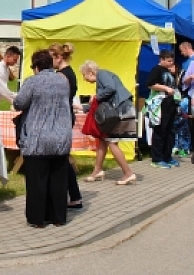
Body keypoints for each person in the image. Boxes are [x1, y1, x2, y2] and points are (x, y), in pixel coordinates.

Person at [14, 50, 73, 227]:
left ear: (37, 66)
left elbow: (19, 103)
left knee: (37, 182)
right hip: (61, 136)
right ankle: (58, 217)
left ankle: (38, 219)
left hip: (38, 137)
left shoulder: (32, 81)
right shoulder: (63, 80)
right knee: (58, 181)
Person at [79, 60, 137, 186]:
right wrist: (84, 108)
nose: (85, 79)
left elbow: (110, 88)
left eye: (84, 75)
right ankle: (97, 171)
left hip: (121, 109)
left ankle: (128, 173)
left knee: (111, 141)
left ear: (90, 72)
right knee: (103, 140)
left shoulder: (102, 74)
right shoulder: (103, 76)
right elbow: (102, 104)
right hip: (121, 108)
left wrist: (96, 97)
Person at [49, 43, 83, 210]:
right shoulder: (67, 73)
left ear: (59, 57)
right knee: (63, 157)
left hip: (62, 118)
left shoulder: (63, 75)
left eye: (51, 58)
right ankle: (74, 195)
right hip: (65, 116)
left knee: (62, 158)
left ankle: (71, 195)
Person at [146, 49, 180, 169]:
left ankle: (167, 156)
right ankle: (157, 158)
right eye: (169, 61)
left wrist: (173, 74)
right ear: (162, 60)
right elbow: (150, 84)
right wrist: (165, 88)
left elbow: (173, 85)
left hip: (171, 104)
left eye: (172, 60)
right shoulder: (157, 70)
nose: (171, 63)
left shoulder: (168, 71)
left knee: (170, 131)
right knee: (160, 131)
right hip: (161, 104)